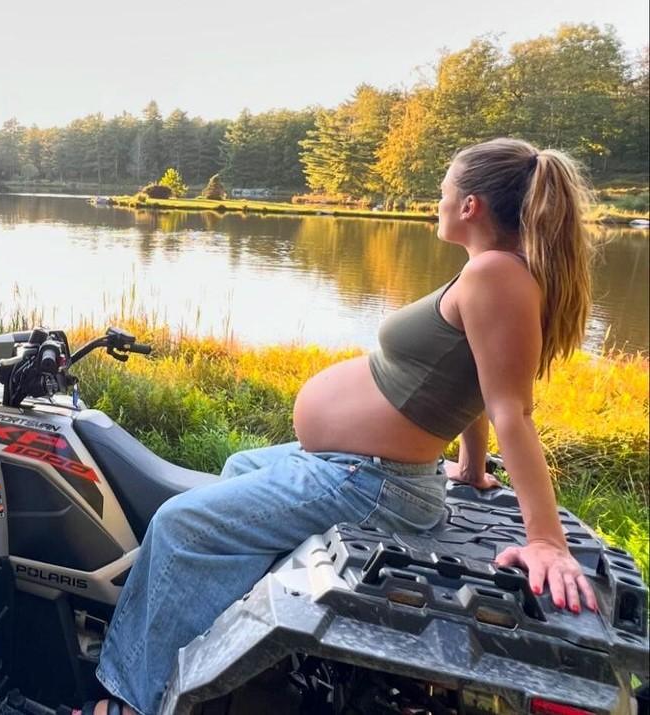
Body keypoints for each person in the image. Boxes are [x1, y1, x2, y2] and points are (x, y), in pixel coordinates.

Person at [79, 138, 598, 715]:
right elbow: (470, 378)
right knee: (237, 467)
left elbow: (512, 410)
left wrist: (546, 542)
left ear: (471, 205)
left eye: (444, 190)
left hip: (372, 482)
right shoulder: (490, 270)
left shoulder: (498, 276)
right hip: (362, 469)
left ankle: (131, 702)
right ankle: (226, 667)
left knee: (180, 525)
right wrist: (472, 467)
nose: (437, 200)